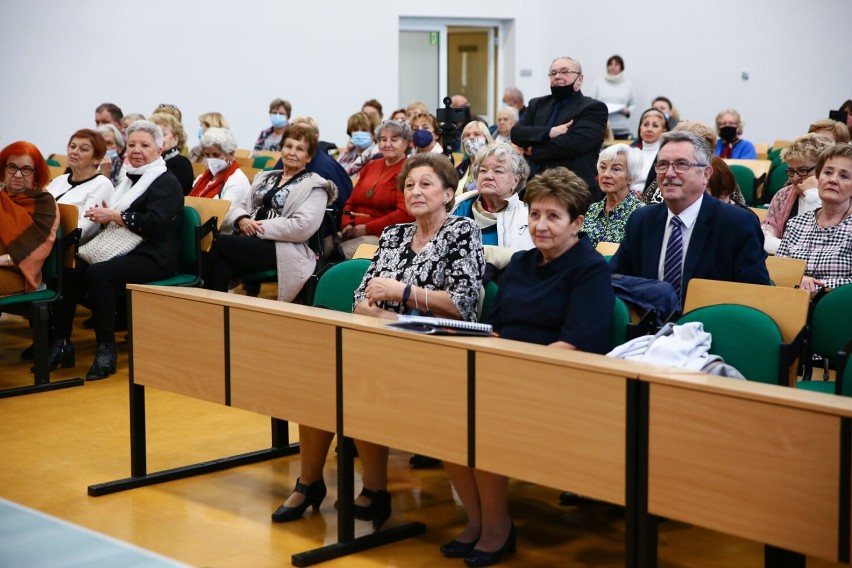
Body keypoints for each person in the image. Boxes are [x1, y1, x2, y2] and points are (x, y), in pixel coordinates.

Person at [271, 153, 484, 532]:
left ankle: (374, 488)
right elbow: (361, 295)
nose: (416, 191)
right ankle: (310, 483)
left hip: (436, 349)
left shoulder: (462, 232)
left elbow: (460, 304)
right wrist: (374, 313)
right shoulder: (394, 233)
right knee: (322, 383)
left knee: (363, 384)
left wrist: (400, 297)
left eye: (426, 184)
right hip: (379, 339)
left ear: (449, 193)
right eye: (410, 186)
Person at [442, 166, 613, 567]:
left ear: (578, 223)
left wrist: (514, 373)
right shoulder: (519, 264)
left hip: (560, 378)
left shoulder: (590, 270)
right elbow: (497, 329)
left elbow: (577, 344)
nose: (540, 225)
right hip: (506, 371)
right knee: (448, 415)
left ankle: (498, 526)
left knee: (481, 419)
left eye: (553, 216)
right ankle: (478, 518)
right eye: (535, 214)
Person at [53, 120, 184, 380]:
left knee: (99, 274)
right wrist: (104, 215)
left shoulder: (166, 181)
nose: (136, 150)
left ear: (159, 150)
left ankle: (106, 348)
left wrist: (115, 216)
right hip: (125, 247)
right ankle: (60, 341)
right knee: (70, 269)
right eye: (132, 144)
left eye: (144, 145)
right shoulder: (128, 179)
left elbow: (156, 224)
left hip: (156, 254)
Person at [610, 130, 770, 306]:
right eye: (662, 165)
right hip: (649, 326)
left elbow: (755, 297)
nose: (669, 173)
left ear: (706, 174)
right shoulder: (641, 220)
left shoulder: (737, 225)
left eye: (681, 164)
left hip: (710, 327)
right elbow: (615, 280)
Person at [203, 123, 337, 302]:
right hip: (248, 241)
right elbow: (238, 206)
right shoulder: (265, 177)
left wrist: (257, 227)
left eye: (299, 149)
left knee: (217, 243)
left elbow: (301, 227)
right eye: (288, 146)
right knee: (221, 267)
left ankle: (188, 289)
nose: (292, 152)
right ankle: (213, 315)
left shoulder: (316, 186)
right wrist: (242, 219)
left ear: (309, 157)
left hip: (283, 248)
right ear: (281, 149)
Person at [511, 56, 608, 201]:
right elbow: (517, 133)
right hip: (533, 187)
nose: (558, 76)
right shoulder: (537, 104)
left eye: (564, 72)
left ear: (580, 79)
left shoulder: (593, 108)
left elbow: (572, 144)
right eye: (553, 73)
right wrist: (551, 132)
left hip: (574, 190)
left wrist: (533, 150)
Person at [777, 143, 852, 295]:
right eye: (828, 172)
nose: (833, 180)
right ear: (818, 177)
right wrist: (798, 279)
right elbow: (778, 271)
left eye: (844, 176)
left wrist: (814, 285)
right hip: (791, 304)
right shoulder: (796, 224)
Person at [452, 141, 534, 278]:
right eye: (483, 170)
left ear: (515, 181)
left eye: (498, 171)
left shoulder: (529, 217)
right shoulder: (458, 206)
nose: (488, 176)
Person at [337, 119, 413, 258]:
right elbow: (350, 202)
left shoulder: (408, 169)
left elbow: (404, 214)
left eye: (394, 140)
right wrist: (346, 225)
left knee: (342, 252)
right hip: (353, 231)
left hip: (384, 234)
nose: (387, 144)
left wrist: (367, 229)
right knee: (324, 245)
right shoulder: (371, 166)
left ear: (406, 143)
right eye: (383, 139)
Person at [0, 142, 58, 297]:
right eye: (12, 167)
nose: (18, 175)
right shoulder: (2, 196)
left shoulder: (44, 204)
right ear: (3, 169)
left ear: (36, 173)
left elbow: (35, 251)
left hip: (19, 274)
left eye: (26, 169)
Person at [761, 134, 833, 254]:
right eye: (791, 171)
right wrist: (793, 250)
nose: (795, 178)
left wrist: (812, 194)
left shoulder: (837, 199)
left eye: (803, 170)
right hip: (786, 265)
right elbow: (764, 239)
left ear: (824, 169)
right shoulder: (783, 195)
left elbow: (818, 245)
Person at [45, 129, 113, 244]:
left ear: (97, 158)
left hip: (65, 249)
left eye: (83, 149)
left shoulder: (102, 185)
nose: (74, 152)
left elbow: (83, 231)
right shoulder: (59, 180)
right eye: (72, 147)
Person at [270, 117, 353, 210]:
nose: (292, 152)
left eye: (303, 133)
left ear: (315, 137)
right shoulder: (285, 159)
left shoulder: (327, 167)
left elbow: (346, 200)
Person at [189, 127, 251, 233]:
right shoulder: (202, 178)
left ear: (230, 154)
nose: (211, 159)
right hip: (197, 233)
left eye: (216, 155)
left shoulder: (237, 181)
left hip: (222, 238)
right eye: (207, 155)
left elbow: (224, 217)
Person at [581, 143, 644, 247]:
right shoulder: (591, 210)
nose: (606, 174)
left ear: (630, 177)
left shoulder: (640, 214)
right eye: (603, 167)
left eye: (616, 169)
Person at [591, 55, 636, 140]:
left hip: (622, 128)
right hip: (603, 127)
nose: (612, 67)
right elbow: (591, 102)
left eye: (616, 64)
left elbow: (633, 103)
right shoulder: (598, 83)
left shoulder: (628, 84)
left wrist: (628, 110)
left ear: (621, 67)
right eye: (610, 64)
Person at [149, 112, 194, 194]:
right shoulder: (147, 162)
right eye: (153, 134)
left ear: (176, 139)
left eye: (163, 134)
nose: (158, 138)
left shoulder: (181, 164)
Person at [630, 108, 669, 193]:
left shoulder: (667, 154)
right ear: (640, 127)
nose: (649, 129)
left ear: (664, 131)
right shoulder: (629, 150)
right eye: (645, 124)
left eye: (655, 126)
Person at [337, 111, 380, 177]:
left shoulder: (377, 155)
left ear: (373, 134)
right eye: (356, 130)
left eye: (364, 130)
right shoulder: (346, 154)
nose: (359, 134)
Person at [456, 120, 493, 194]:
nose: (471, 137)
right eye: (467, 135)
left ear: (486, 139)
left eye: (476, 134)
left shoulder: (492, 166)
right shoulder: (460, 168)